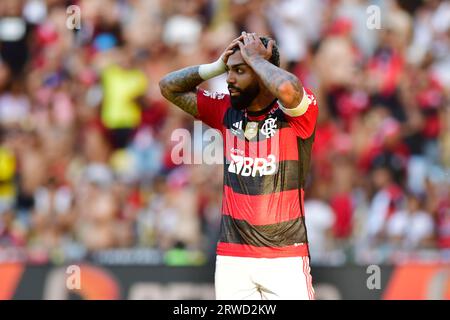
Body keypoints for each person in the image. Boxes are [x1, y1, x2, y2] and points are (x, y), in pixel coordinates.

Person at [159, 31, 318, 300]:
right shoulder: (226, 111)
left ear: (262, 71)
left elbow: (287, 89)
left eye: (240, 70)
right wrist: (216, 66)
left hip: (285, 258)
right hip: (233, 259)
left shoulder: (295, 115)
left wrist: (257, 59)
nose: (229, 79)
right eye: (229, 71)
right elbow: (168, 87)